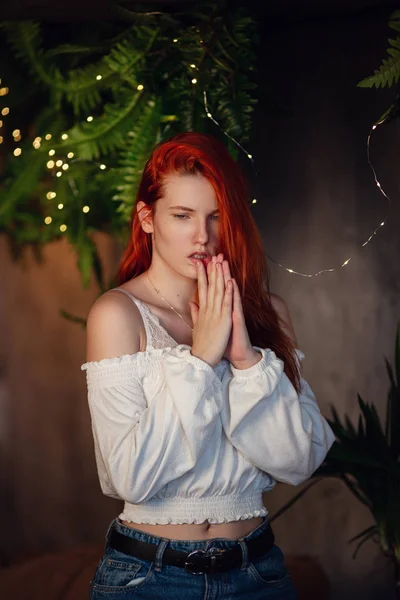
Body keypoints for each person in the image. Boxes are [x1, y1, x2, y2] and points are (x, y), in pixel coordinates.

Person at [82, 131, 335, 599]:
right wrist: (200, 359)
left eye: (217, 217)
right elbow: (130, 479)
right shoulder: (117, 315)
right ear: (148, 218)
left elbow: (300, 460)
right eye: (182, 216)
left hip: (258, 572)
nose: (203, 235)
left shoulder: (267, 312)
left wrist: (245, 360)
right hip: (149, 578)